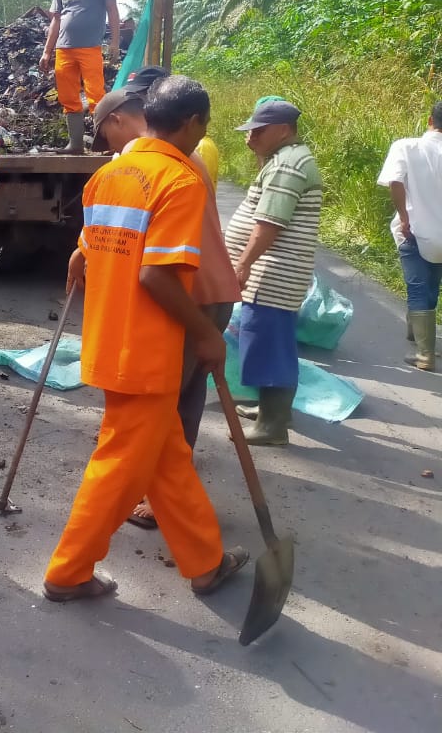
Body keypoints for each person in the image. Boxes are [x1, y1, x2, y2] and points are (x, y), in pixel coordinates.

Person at [44, 82, 249, 602]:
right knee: (119, 467)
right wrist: (207, 335)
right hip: (149, 351)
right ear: (193, 123)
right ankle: (68, 572)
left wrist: (81, 255)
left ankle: (204, 563)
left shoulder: (107, 176)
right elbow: (157, 277)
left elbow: (90, 252)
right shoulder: (180, 181)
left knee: (167, 457)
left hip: (110, 340)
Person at [86, 76, 241, 531]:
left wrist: (205, 332)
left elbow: (155, 268)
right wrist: (85, 247)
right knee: (173, 412)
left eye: (105, 133)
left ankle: (140, 502)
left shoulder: (167, 165)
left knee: (163, 410)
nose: (105, 145)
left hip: (193, 293)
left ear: (120, 120)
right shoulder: (164, 161)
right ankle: (187, 530)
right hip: (195, 291)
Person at [223, 98, 323, 446]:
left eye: (258, 131)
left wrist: (243, 263)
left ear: (282, 131)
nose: (250, 138)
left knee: (268, 344)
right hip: (274, 274)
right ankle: (271, 410)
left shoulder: (288, 165)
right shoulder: (284, 159)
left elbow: (269, 222)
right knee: (267, 342)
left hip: (273, 274)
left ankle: (273, 425)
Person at [38, 0, 121, 154]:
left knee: (96, 95)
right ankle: (75, 145)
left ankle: (105, 144)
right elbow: (56, 19)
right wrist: (47, 51)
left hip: (90, 47)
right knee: (68, 97)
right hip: (64, 49)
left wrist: (114, 42)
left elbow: (112, 9)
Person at [376, 100, 442, 372]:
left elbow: (395, 180)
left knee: (417, 286)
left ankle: (425, 354)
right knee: (431, 284)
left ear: (430, 120)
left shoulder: (406, 146)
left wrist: (404, 216)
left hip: (416, 230)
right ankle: (416, 333)